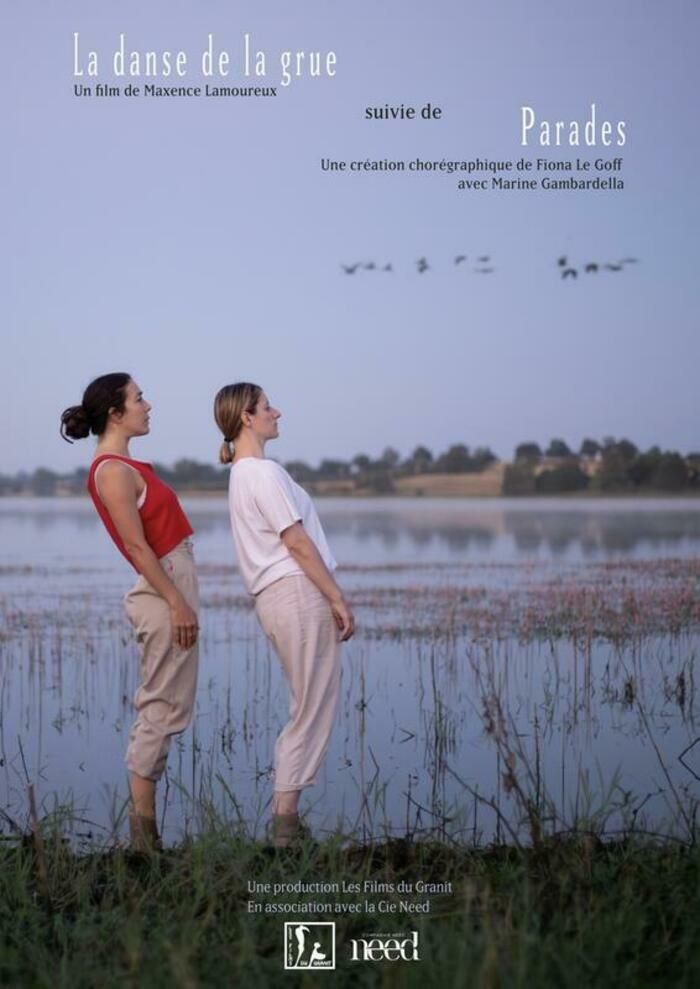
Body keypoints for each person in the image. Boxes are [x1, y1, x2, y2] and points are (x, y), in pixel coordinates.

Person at [60, 373, 199, 851]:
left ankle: (147, 836)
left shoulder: (124, 464)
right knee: (161, 705)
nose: (148, 405)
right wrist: (176, 600)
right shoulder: (111, 470)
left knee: (168, 703)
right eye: (139, 399)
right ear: (116, 414)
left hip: (169, 583)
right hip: (163, 589)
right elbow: (138, 549)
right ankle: (143, 838)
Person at [213, 382, 354, 847]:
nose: (278, 412)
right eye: (267, 406)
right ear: (247, 419)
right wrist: (335, 596)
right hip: (295, 591)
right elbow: (295, 542)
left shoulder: (242, 474)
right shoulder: (261, 472)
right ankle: (285, 822)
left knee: (306, 702)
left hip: (275, 598)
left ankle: (285, 820)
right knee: (311, 705)